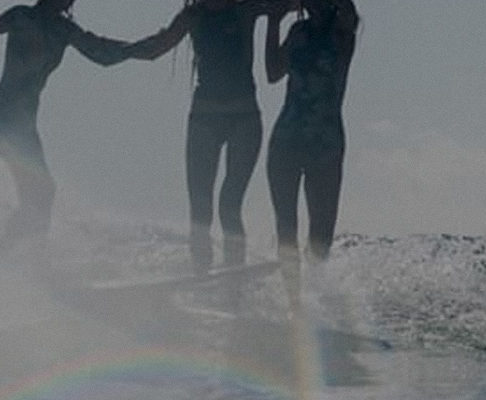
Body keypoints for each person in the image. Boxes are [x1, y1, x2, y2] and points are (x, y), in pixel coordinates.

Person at [128, 0, 296, 273]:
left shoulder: (245, 8)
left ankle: (234, 269)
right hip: (204, 118)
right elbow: (157, 48)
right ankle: (200, 269)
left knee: (230, 203)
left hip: (244, 118)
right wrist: (119, 51)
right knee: (200, 206)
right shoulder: (193, 15)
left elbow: (289, 4)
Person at [0, 0, 130, 250]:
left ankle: (16, 252)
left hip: (23, 125)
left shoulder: (64, 29)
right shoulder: (21, 17)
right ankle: (21, 253)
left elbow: (101, 53)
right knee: (41, 191)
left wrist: (142, 48)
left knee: (42, 193)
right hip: (6, 117)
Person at [265, 0, 358, 266]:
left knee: (321, 236)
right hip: (287, 138)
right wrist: (273, 22)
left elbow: (349, 12)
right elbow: (273, 72)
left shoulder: (342, 32)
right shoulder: (298, 32)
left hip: (325, 143)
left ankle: (315, 287)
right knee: (286, 228)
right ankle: (291, 290)